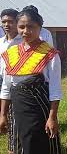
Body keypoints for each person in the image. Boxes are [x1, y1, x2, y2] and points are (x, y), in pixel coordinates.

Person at [0, 7, 62, 154]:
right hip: (16, 107)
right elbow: (6, 85)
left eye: (31, 27)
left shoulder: (50, 54)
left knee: (38, 145)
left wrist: (52, 117)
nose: (25, 31)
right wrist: (2, 114)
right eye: (21, 27)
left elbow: (55, 89)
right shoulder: (11, 53)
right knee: (16, 146)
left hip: (38, 109)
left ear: (40, 28)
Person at [0, 8, 23, 154]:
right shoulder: (1, 42)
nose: (7, 25)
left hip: (17, 84)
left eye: (10, 21)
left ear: (17, 22)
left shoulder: (23, 43)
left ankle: (16, 147)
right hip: (2, 81)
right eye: (4, 22)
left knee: (16, 117)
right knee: (5, 116)